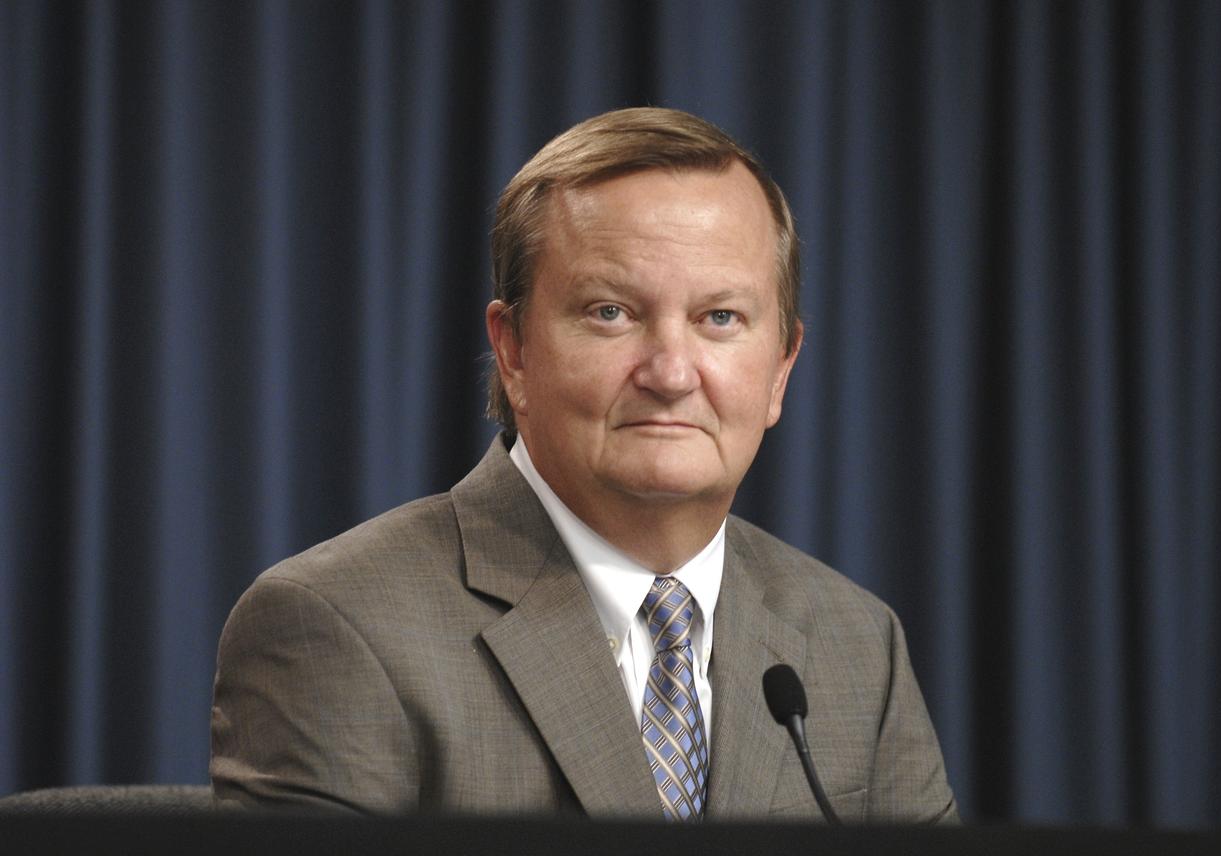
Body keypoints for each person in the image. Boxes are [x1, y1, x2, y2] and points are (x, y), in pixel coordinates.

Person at [210, 107, 958, 823]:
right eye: (612, 313)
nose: (670, 372)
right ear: (514, 352)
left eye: (719, 318)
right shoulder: (339, 628)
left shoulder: (855, 644)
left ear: (780, 371)